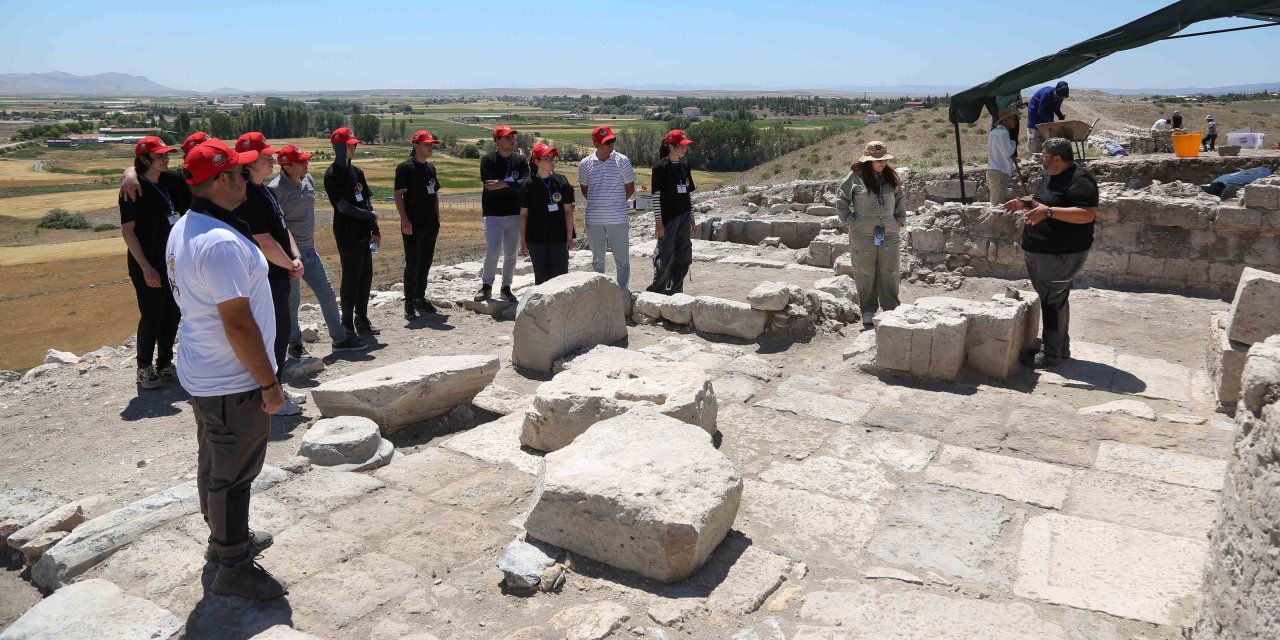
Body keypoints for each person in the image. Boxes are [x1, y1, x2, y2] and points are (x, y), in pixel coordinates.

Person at [164, 138, 286, 599]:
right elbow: (237, 323)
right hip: (231, 377)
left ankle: (224, 542)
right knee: (233, 475)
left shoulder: (189, 225)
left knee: (215, 460)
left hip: (205, 370)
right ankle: (232, 562)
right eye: (238, 173)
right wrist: (269, 384)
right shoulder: (217, 243)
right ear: (220, 181)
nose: (246, 179)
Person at [1002, 137, 1099, 369]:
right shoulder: (1051, 175)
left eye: (1044, 155)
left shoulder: (1080, 179)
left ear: (1057, 158)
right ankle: (1060, 348)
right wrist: (1025, 204)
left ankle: (1051, 355)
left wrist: (1049, 212)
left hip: (1061, 252)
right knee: (1053, 299)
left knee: (1052, 301)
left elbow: (1086, 214)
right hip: (1041, 249)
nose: (1040, 158)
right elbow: (1044, 204)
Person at [269, 145, 366, 357]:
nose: (306, 163)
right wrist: (289, 256)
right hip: (289, 256)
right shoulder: (275, 189)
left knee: (328, 294)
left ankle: (339, 339)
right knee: (292, 302)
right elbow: (276, 227)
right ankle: (294, 345)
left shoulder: (308, 179)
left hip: (310, 251)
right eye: (301, 161)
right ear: (286, 166)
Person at [233, 132, 306, 417]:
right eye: (266, 156)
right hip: (264, 277)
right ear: (250, 161)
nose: (272, 159)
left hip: (280, 271)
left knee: (280, 332)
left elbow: (282, 229)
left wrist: (295, 257)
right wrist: (290, 264)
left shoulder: (265, 190)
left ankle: (278, 386)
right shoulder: (247, 195)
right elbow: (263, 240)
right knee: (272, 336)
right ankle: (270, 396)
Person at [119, 136, 189, 390]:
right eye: (159, 155)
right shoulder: (132, 190)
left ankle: (164, 363)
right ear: (144, 159)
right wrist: (146, 267)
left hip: (171, 262)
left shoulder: (168, 182)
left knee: (173, 312)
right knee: (152, 314)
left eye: (166, 154)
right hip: (146, 263)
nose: (166, 158)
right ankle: (144, 367)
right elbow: (128, 231)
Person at [835, 141, 906, 328]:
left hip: (889, 232)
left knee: (890, 270)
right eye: (877, 160)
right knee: (865, 271)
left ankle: (891, 308)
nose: (882, 162)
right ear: (867, 161)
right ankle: (868, 310)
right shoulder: (856, 177)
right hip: (862, 234)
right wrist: (848, 219)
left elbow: (899, 197)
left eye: (884, 159)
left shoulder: (890, 176)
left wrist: (900, 217)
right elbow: (841, 197)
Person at [323, 127, 381, 338]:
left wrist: (375, 228)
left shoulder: (358, 172)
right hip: (347, 234)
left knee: (365, 277)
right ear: (339, 147)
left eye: (354, 145)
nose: (353, 148)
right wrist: (370, 216)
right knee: (351, 278)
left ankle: (362, 319)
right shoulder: (332, 175)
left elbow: (367, 200)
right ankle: (347, 323)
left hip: (365, 233)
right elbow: (343, 207)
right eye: (350, 145)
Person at [578, 126, 636, 289]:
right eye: (606, 142)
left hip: (617, 218)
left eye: (612, 140)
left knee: (622, 259)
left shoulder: (622, 161)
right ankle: (601, 292)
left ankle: (623, 292)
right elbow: (585, 190)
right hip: (594, 219)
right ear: (596, 143)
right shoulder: (585, 164)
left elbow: (630, 187)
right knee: (597, 259)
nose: (611, 144)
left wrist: (616, 203)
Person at [475, 125, 529, 303]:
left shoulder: (520, 160)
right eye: (507, 138)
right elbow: (490, 185)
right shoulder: (488, 160)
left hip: (514, 213)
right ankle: (487, 286)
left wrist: (505, 184)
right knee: (493, 250)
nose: (512, 140)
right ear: (497, 141)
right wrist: (513, 184)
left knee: (511, 253)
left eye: (512, 137)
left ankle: (506, 287)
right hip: (493, 214)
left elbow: (526, 183)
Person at [395, 130, 444, 320]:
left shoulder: (430, 168)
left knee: (426, 262)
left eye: (432, 144)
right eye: (427, 144)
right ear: (415, 145)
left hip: (430, 224)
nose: (430, 147)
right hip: (412, 225)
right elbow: (398, 194)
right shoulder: (405, 168)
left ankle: (420, 297)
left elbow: (435, 195)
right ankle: (408, 301)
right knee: (413, 263)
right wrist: (405, 220)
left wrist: (438, 219)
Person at [647, 129, 696, 294]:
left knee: (683, 255)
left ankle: (676, 290)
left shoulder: (685, 165)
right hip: (668, 219)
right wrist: (659, 222)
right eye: (681, 146)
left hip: (684, 216)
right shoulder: (660, 167)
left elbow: (688, 193)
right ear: (671, 146)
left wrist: (692, 216)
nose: (684, 149)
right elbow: (656, 197)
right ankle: (658, 291)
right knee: (665, 255)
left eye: (685, 146)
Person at [518, 143, 575, 285]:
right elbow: (523, 215)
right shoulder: (528, 185)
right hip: (536, 239)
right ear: (536, 161)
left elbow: (568, 211)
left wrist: (569, 237)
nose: (551, 161)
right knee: (541, 279)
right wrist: (523, 240)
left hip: (559, 237)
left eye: (552, 158)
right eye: (546, 158)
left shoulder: (562, 181)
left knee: (561, 278)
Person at [987, 107, 1020, 205]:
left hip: (993, 170)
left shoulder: (993, 132)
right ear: (1005, 120)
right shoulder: (1004, 133)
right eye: (1013, 119)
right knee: (997, 205)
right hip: (1000, 172)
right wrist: (1013, 143)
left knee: (995, 203)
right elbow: (1008, 152)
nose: (1015, 122)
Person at [1027, 81, 1069, 155]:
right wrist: (1050, 121)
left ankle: (1043, 157)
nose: (1060, 98)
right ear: (1056, 91)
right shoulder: (1046, 94)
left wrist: (1060, 116)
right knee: (1035, 137)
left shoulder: (1060, 96)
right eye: (1059, 96)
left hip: (1046, 115)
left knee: (1045, 137)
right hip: (1035, 113)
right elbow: (1041, 111)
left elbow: (1056, 108)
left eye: (1062, 97)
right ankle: (1035, 156)